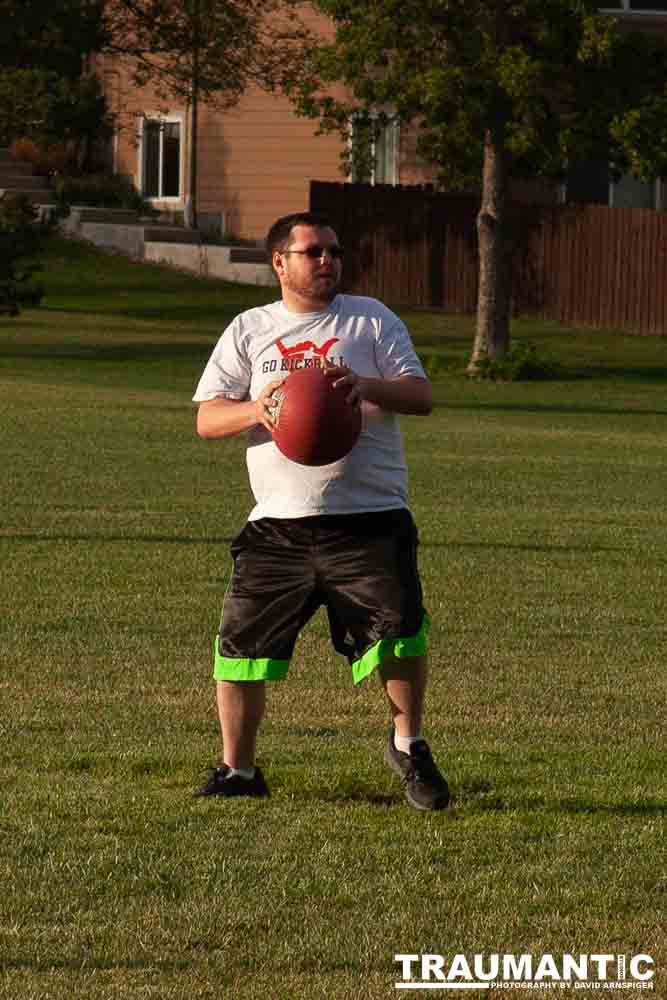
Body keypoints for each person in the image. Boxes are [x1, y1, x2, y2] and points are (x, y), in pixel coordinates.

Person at [191, 211, 449, 811]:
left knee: (400, 635)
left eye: (334, 251)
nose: (328, 261)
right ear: (279, 262)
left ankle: (408, 746)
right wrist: (260, 410)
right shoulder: (250, 329)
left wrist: (367, 385)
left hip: (369, 516)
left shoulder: (371, 319)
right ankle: (239, 771)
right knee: (241, 649)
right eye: (313, 252)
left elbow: (423, 395)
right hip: (277, 523)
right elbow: (207, 418)